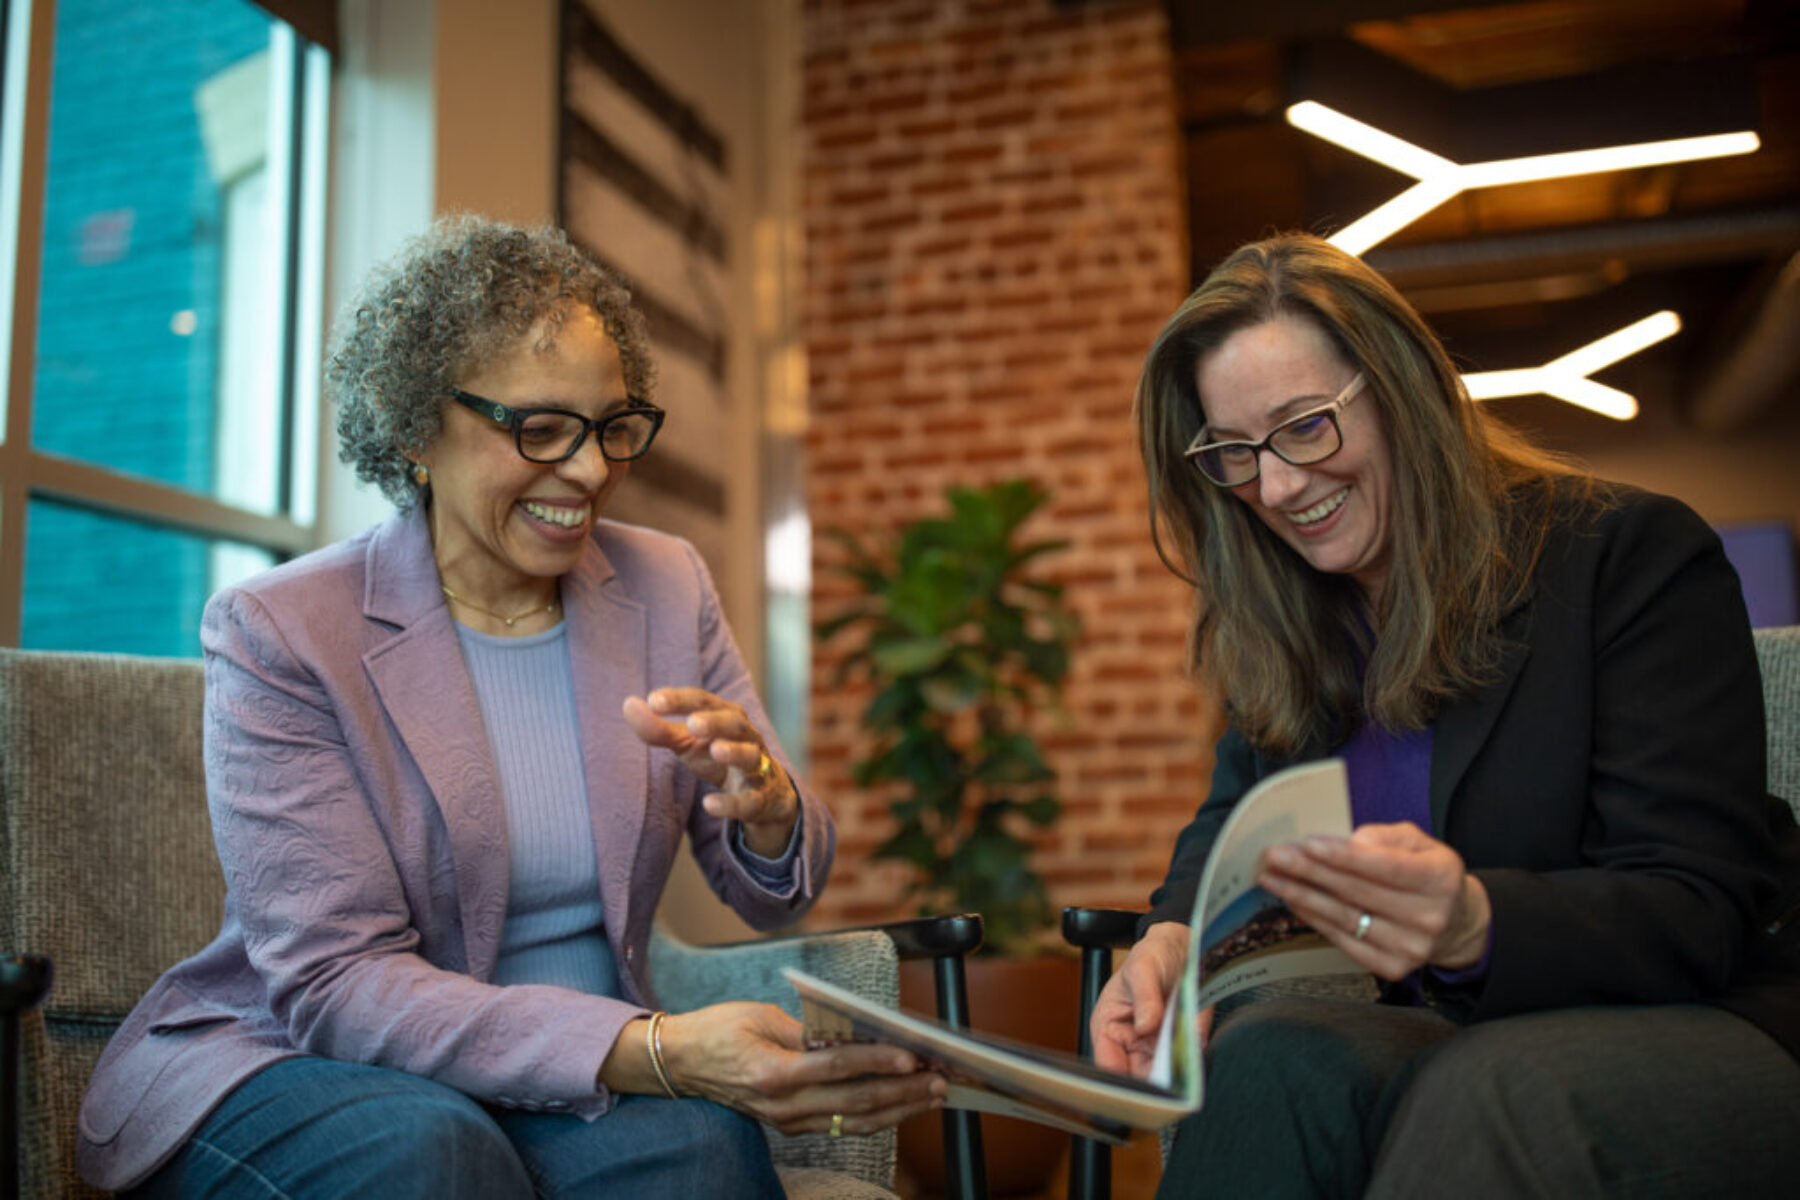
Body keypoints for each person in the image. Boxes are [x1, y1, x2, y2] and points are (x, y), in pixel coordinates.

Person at [77, 216, 943, 1199]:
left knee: (709, 1153)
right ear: (414, 429)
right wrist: (650, 1049)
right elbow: (334, 985)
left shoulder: (664, 584)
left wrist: (772, 807)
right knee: (434, 1151)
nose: (589, 471)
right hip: (297, 1067)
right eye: (539, 428)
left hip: (557, 1079)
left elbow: (775, 888)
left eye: (613, 427)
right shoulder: (283, 629)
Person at [1093, 233, 1800, 1198]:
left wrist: (1476, 921)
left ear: (1403, 390)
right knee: (1269, 1062)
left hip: (1707, 1021)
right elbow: (1228, 820)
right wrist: (1170, 935)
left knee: (1496, 1087)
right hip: (1450, 1036)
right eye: (1237, 453)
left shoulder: (1627, 558)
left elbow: (1698, 911)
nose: (1280, 487)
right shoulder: (1293, 620)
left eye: (1305, 426)